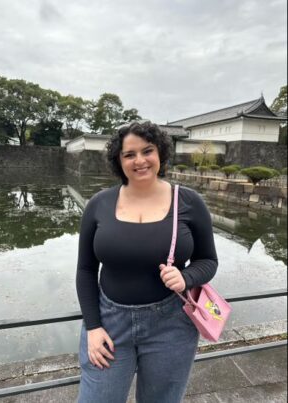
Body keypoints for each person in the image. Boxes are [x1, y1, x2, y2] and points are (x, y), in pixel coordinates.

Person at [76, 121, 218, 403]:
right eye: (129, 154)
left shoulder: (189, 202)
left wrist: (186, 278)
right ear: (119, 160)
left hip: (172, 323)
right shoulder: (98, 204)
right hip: (109, 322)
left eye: (147, 151)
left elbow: (208, 260)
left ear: (160, 153)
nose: (139, 160)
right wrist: (93, 326)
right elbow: (85, 269)